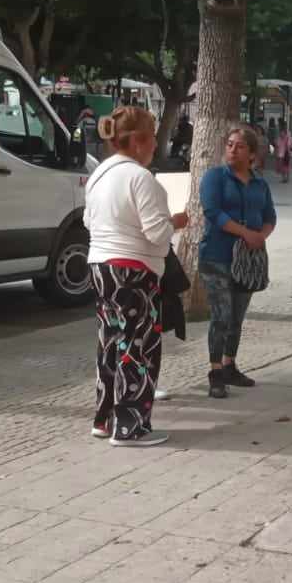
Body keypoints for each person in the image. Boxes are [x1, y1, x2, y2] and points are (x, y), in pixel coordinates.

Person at [83, 106, 189, 447]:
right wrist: (177, 221)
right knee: (138, 347)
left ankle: (105, 418)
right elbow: (157, 233)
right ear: (141, 141)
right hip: (134, 271)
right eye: (154, 137)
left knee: (110, 343)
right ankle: (131, 427)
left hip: (100, 265)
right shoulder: (141, 179)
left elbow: (88, 220)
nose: (156, 145)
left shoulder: (99, 174)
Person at [200, 126, 278, 399]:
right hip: (218, 256)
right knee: (220, 316)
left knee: (236, 316)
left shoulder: (260, 183)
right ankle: (215, 372)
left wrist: (260, 236)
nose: (233, 150)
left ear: (252, 154)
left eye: (240, 146)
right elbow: (212, 212)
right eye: (230, 144)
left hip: (248, 260)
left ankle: (230, 364)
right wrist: (245, 233)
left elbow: (270, 216)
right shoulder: (215, 177)